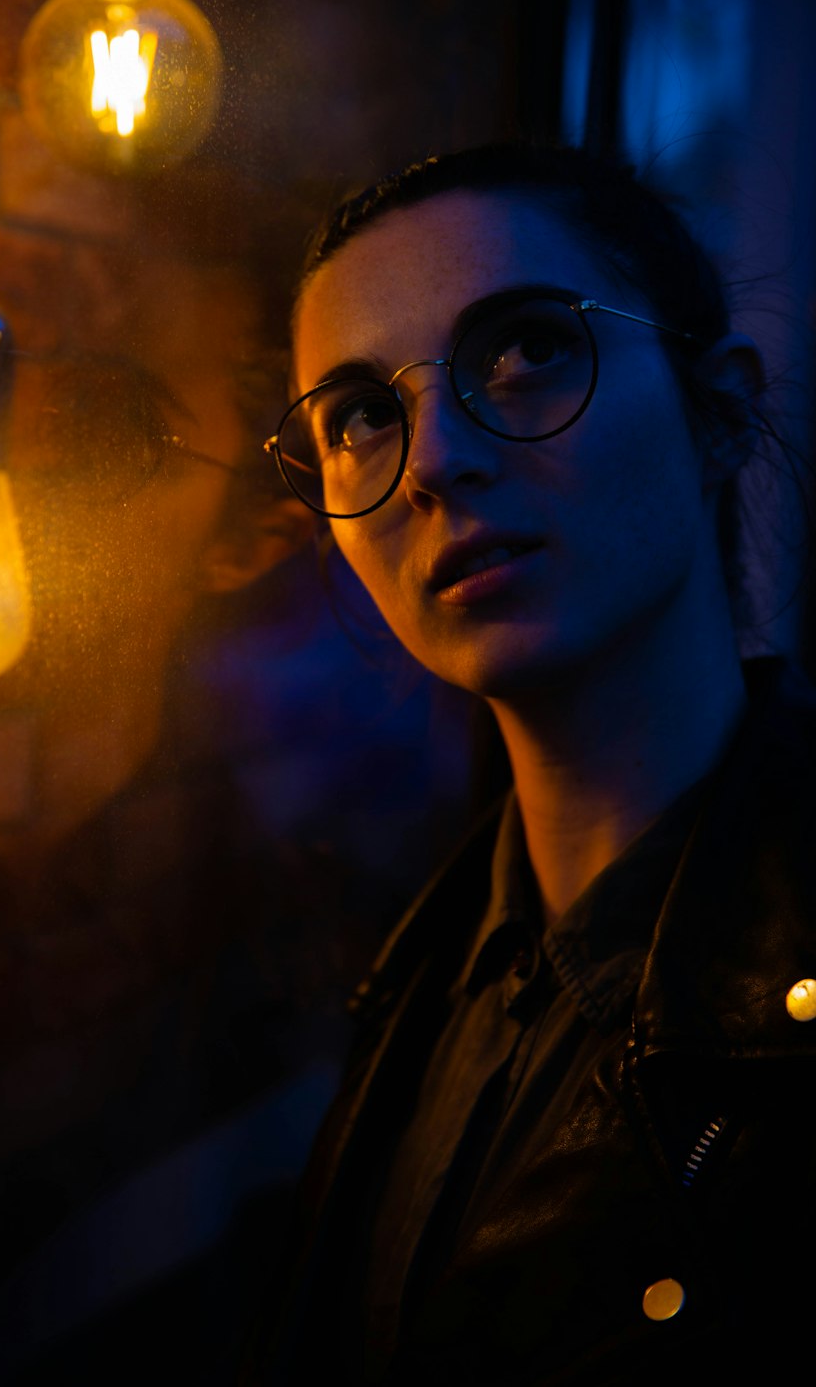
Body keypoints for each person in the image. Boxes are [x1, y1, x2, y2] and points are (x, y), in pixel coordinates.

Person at [243, 144, 816, 1383]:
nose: (436, 458)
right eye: (362, 416)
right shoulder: (425, 977)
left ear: (717, 410)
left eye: (525, 348)